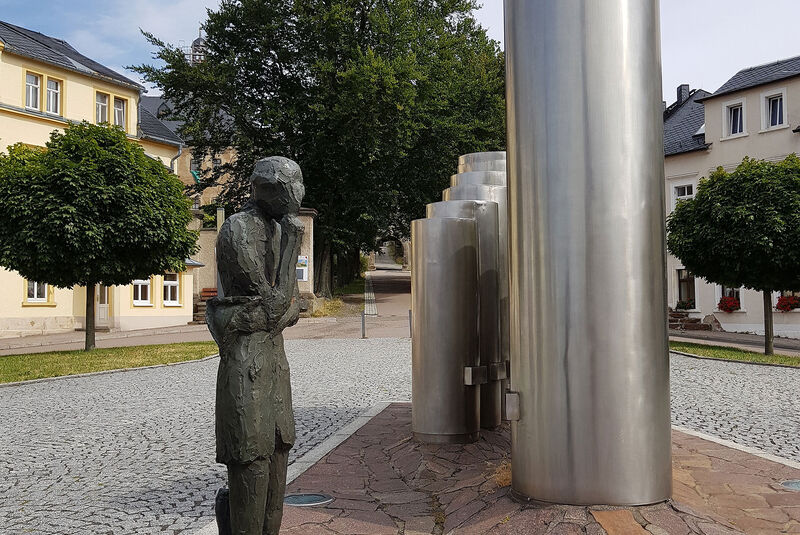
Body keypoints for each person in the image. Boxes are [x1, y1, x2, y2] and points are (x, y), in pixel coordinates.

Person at [206, 156, 304, 535]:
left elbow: (291, 308)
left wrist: (272, 309)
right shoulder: (238, 229)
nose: (299, 195)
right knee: (251, 472)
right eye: (293, 187)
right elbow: (280, 304)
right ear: (273, 188)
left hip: (275, 372)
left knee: (278, 471)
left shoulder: (276, 230)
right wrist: (293, 246)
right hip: (246, 374)